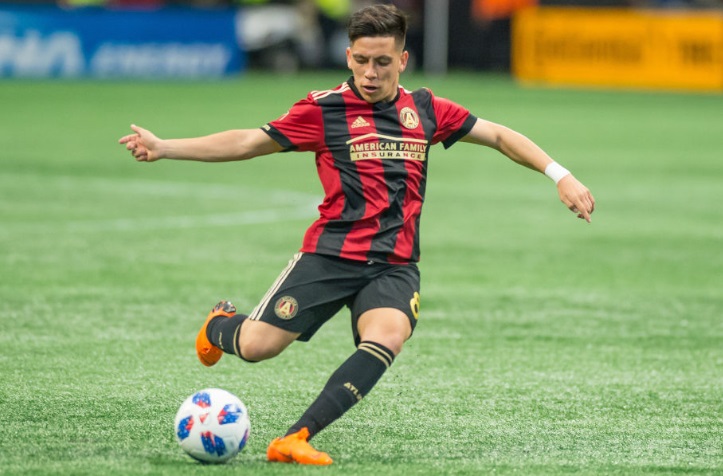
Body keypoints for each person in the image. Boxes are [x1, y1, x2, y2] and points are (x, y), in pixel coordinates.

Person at [119, 4, 595, 466]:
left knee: (388, 335)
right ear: (348, 56)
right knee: (257, 347)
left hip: (394, 264)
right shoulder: (323, 110)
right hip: (330, 255)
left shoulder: (425, 109)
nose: (370, 72)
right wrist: (165, 147)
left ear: (403, 60)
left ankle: (294, 438)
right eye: (362, 60)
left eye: (382, 62)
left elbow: (499, 136)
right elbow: (247, 142)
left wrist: (561, 175)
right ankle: (218, 325)